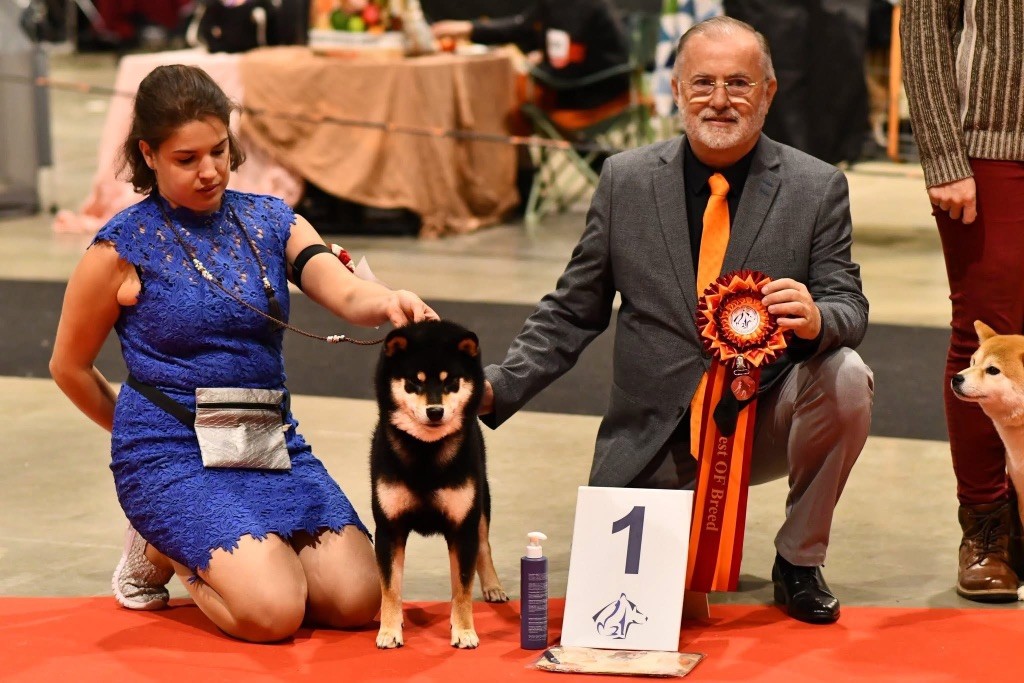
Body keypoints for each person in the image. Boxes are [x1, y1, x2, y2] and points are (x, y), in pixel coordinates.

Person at [479, 16, 873, 624]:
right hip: (653, 433)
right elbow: (571, 310)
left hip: (761, 416)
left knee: (846, 376)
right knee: (653, 609)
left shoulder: (817, 187)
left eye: (739, 84)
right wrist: (497, 386)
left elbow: (851, 304)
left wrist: (820, 319)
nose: (720, 100)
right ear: (676, 90)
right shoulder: (624, 180)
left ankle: (798, 559)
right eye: (703, 83)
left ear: (768, 94)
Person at [49, 64, 438, 642]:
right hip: (171, 452)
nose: (210, 172)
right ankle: (159, 540)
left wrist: (388, 302)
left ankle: (228, 545)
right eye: (187, 159)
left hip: (264, 439)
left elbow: (347, 290)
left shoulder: (272, 221)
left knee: (359, 600)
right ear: (148, 154)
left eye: (220, 151)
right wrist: (135, 429)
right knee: (274, 613)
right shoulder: (119, 249)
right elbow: (68, 366)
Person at [901, 0, 1024, 602]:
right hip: (991, 144)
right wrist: (945, 154)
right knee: (989, 336)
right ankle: (986, 526)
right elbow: (925, 29)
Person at [429, 0, 631, 114]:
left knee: (507, 99)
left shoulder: (581, 7)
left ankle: (520, 176)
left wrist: (533, 66)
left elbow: (566, 66)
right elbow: (520, 26)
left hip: (593, 96)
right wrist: (468, 29)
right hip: (592, 86)